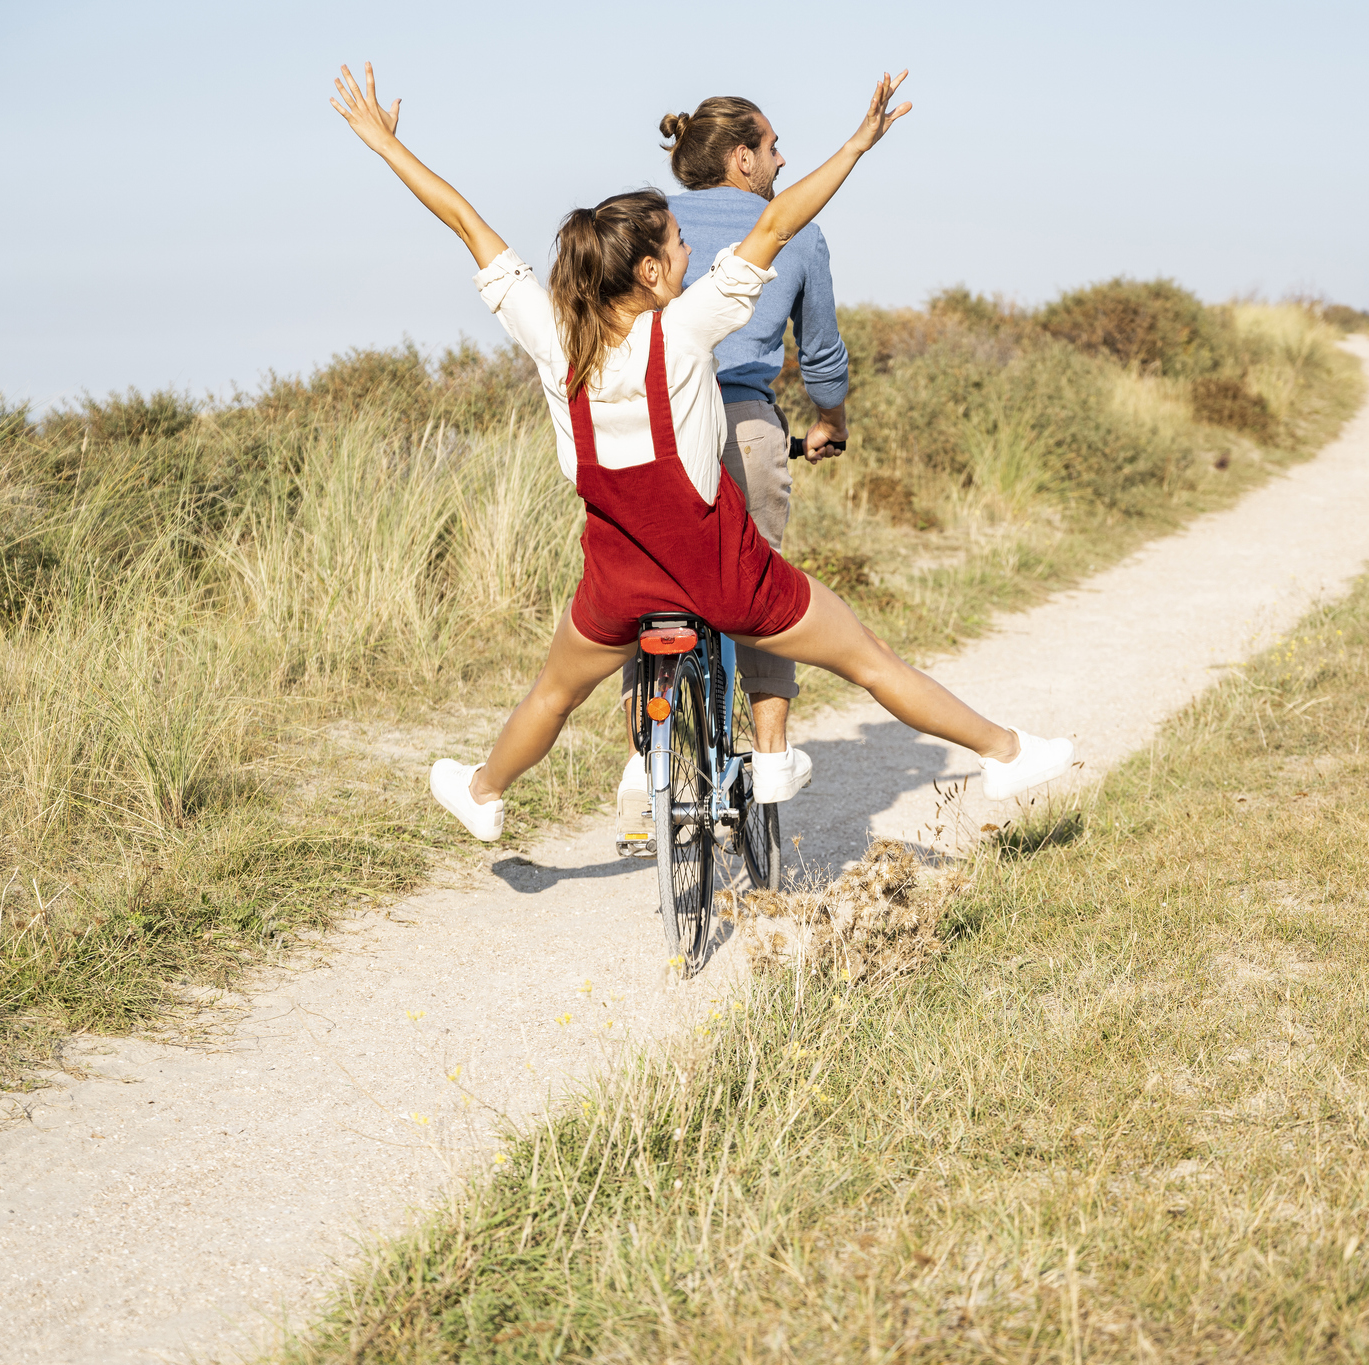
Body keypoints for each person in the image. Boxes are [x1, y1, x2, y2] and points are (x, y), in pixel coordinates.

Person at [329, 62, 1073, 844]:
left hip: (617, 586)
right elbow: (778, 223)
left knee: (551, 696)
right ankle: (1003, 752)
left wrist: (385, 145)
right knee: (871, 661)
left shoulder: (551, 336)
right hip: (726, 576)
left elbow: (466, 222)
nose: (691, 253)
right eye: (681, 246)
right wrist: (857, 145)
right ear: (651, 273)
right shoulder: (682, 331)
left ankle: (484, 791)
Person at [600, 97, 850, 839]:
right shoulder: (794, 232)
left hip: (646, 427)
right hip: (743, 421)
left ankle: (643, 763)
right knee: (761, 585)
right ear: (741, 157)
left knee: (646, 581)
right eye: (773, 147)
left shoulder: (647, 226)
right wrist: (830, 421)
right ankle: (770, 755)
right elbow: (823, 356)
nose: (781, 161)